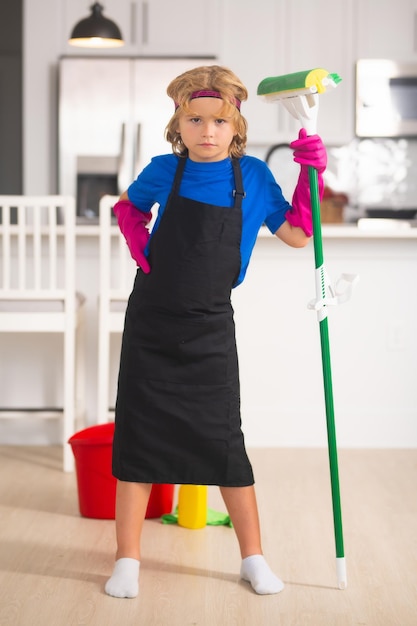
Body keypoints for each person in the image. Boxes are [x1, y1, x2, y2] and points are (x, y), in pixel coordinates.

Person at [104, 65, 327, 599]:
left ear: (238, 126)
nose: (207, 131)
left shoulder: (252, 177)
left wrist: (309, 173)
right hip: (153, 323)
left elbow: (297, 235)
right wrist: (138, 241)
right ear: (178, 122)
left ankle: (253, 559)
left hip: (209, 328)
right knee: (137, 443)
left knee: (226, 446)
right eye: (195, 119)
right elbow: (129, 206)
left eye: (219, 122)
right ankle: (127, 561)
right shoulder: (164, 170)